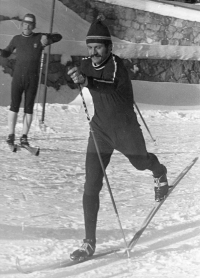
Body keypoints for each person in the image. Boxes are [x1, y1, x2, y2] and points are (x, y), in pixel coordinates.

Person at [68, 15, 169, 261]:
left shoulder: (117, 66)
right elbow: (76, 80)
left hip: (125, 131)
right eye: (90, 48)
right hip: (100, 131)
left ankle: (160, 172)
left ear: (109, 47)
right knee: (91, 185)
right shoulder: (86, 63)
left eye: (98, 48)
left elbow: (109, 85)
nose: (93, 53)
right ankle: (89, 242)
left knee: (141, 162)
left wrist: (86, 80)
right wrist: (72, 77)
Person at [0, 13, 62, 147]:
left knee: (29, 108)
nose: (27, 26)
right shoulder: (16, 39)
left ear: (33, 26)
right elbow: (6, 52)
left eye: (30, 24)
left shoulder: (39, 37)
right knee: (14, 106)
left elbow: (59, 36)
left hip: (32, 79)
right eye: (25, 23)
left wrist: (48, 37)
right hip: (18, 78)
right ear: (21, 24)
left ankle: (24, 137)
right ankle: (11, 135)